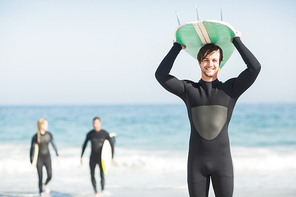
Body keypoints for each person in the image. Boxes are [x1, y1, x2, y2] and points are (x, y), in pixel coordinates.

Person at [155, 31, 261, 197]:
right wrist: (177, 47)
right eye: (205, 60)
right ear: (199, 63)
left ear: (220, 64)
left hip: (223, 165)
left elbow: (255, 68)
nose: (209, 64)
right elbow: (160, 75)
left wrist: (236, 41)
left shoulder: (230, 90)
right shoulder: (189, 90)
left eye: (214, 60)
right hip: (196, 166)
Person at [81, 117, 114, 197]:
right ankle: (95, 192)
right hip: (93, 157)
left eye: (96, 123)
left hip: (102, 158)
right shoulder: (90, 134)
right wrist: (81, 156)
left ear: (100, 123)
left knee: (102, 175)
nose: (95, 125)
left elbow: (111, 145)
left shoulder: (105, 134)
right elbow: (84, 145)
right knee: (92, 174)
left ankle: (102, 190)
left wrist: (111, 157)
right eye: (94, 123)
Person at [30, 118, 59, 196]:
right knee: (40, 177)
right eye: (46, 124)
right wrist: (31, 160)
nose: (47, 125)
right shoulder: (35, 137)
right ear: (41, 125)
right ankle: (41, 193)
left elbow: (54, 145)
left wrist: (57, 154)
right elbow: (32, 149)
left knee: (50, 175)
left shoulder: (49, 134)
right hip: (39, 159)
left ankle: (46, 184)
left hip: (47, 158)